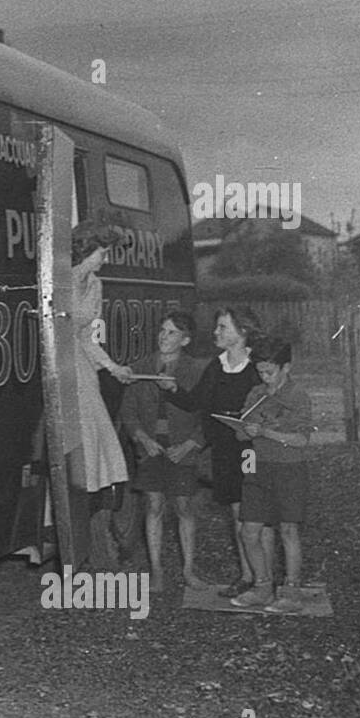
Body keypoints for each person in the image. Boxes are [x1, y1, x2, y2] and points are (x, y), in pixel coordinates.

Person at [157, 306, 272, 597]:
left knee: (258, 516)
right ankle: (247, 575)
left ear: (242, 332)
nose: (216, 332)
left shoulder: (259, 365)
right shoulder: (216, 366)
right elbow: (197, 402)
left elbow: (275, 404)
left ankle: (266, 580)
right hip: (224, 450)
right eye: (217, 327)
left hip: (253, 449)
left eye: (223, 327)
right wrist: (172, 389)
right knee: (236, 513)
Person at [118, 311, 207, 591]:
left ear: (186, 339)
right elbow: (128, 412)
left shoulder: (196, 370)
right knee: (154, 505)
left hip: (183, 449)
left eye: (171, 332)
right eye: (162, 330)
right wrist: (143, 439)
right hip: (151, 449)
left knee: (183, 507)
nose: (163, 336)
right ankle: (156, 570)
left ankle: (189, 570)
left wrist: (190, 444)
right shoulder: (141, 367)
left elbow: (207, 414)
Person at [66, 219, 134, 570]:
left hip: (82, 371)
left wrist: (112, 367)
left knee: (95, 459)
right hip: (58, 371)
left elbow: (89, 337)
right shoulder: (56, 280)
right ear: (86, 248)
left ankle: (95, 551)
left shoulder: (96, 284)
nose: (105, 259)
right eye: (103, 252)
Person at [231, 335, 314, 611]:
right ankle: (262, 586)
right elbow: (243, 435)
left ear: (286, 367)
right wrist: (242, 428)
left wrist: (266, 431)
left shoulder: (298, 395)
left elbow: (302, 439)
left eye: (270, 371)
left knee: (288, 530)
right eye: (260, 371)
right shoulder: (255, 394)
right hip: (257, 467)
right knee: (249, 531)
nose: (264, 377)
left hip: (290, 469)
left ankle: (291, 590)